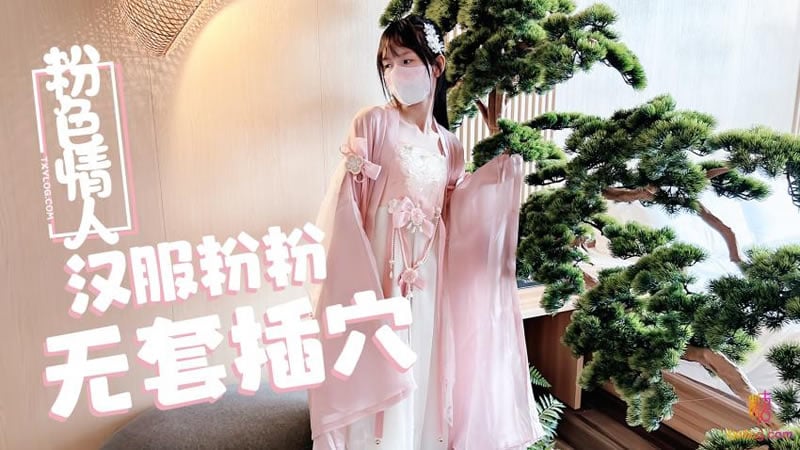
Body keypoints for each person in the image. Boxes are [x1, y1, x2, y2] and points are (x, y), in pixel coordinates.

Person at [308, 14, 544, 450]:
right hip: (380, 276)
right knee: (382, 363)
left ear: (436, 65)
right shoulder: (374, 123)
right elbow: (348, 208)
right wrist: (358, 288)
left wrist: (499, 162)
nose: (394, 72)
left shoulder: (448, 146)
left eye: (406, 60)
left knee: (422, 367)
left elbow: (459, 213)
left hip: (429, 279)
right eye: (387, 64)